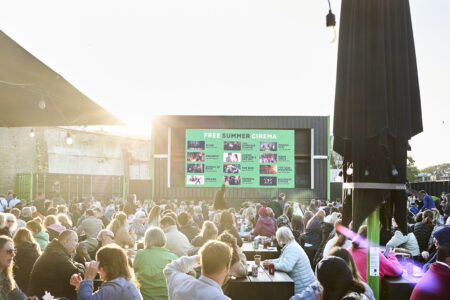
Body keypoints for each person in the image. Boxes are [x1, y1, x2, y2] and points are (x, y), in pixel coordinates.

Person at [164, 240, 232, 300]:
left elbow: (170, 268)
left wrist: (200, 258)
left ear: (201, 263)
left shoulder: (182, 284)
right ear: (228, 267)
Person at [70, 244, 142, 300]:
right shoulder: (122, 283)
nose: (97, 270)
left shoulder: (115, 287)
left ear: (108, 266)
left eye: (99, 264)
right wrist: (80, 286)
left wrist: (88, 278)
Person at [28, 230, 85, 300]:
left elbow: (72, 265)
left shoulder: (55, 250)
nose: (78, 244)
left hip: (44, 294)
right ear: (66, 241)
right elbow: (79, 274)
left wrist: (77, 264)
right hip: (44, 297)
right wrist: (81, 266)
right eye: (75, 240)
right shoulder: (57, 255)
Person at [263, 227, 316, 294]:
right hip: (306, 286)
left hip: (303, 289)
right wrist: (270, 261)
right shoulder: (291, 245)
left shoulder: (292, 248)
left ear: (280, 239)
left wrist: (271, 264)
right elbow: (281, 259)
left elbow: (287, 267)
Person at [134, 227, 178, 300]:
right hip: (167, 297)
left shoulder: (140, 254)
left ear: (146, 239)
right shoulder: (172, 256)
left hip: (146, 297)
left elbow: (135, 273)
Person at [0, 235, 38, 300]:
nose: (13, 254)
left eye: (14, 251)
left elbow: (20, 297)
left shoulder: (6, 277)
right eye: (9, 251)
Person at [12, 228, 41, 293]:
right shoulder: (36, 250)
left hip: (18, 283)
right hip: (32, 283)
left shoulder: (14, 252)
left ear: (16, 238)